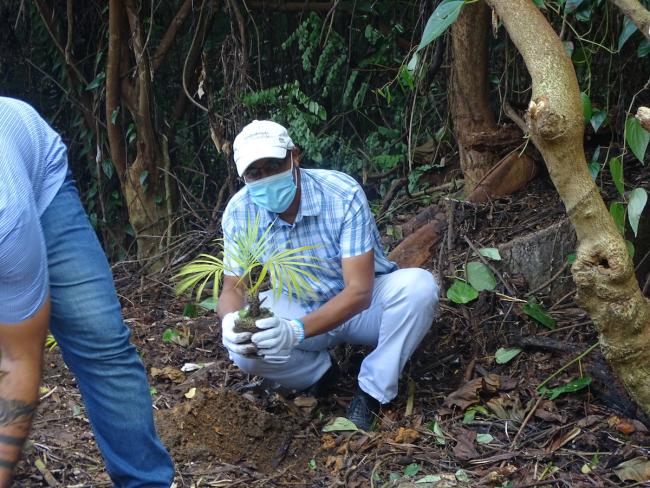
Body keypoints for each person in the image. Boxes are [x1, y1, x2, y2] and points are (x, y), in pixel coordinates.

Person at [217, 120, 440, 430]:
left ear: (294, 156)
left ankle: (371, 391)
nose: (265, 178)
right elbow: (233, 287)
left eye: (274, 165)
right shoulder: (240, 211)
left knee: (419, 289)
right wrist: (231, 320)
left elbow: (359, 291)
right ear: (243, 177)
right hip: (298, 304)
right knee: (244, 349)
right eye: (255, 173)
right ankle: (319, 374)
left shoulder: (340, 193)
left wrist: (294, 331)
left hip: (365, 307)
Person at [0, 97, 174, 486]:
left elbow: (16, 359)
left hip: (37, 176)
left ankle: (144, 481)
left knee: (98, 336)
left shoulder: (6, 221)